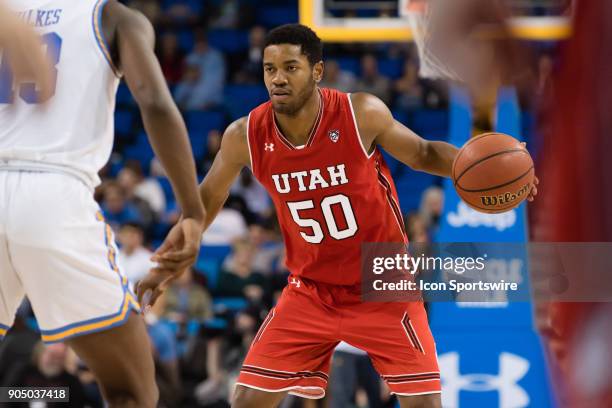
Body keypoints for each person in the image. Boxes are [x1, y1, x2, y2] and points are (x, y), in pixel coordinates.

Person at [154, 23, 537, 407]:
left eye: (291, 67)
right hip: (310, 289)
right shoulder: (246, 135)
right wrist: (165, 263)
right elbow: (206, 199)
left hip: (383, 283)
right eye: (270, 69)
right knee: (248, 400)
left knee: (424, 404)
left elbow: (423, 153)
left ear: (317, 71)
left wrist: (493, 172)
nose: (278, 78)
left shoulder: (359, 113)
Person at [0, 1, 205, 407]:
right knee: (132, 391)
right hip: (53, 192)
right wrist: (192, 211)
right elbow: (156, 103)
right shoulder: (113, 17)